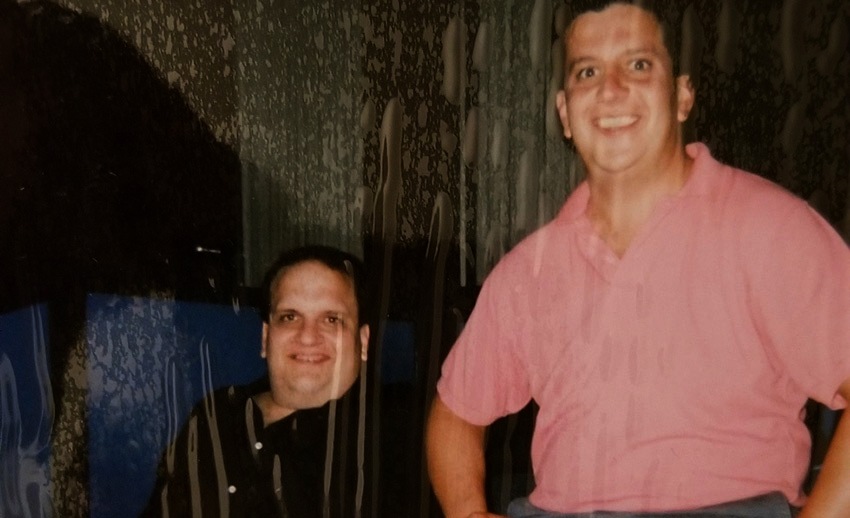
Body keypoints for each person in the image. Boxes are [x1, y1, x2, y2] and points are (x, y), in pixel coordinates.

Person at [426, 2, 850, 517]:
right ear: (564, 112)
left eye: (639, 65)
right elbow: (456, 412)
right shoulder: (528, 271)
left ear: (682, 96)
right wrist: (468, 512)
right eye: (588, 72)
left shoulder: (771, 230)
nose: (611, 89)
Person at [143, 245, 372, 517]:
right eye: (290, 317)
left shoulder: (387, 439)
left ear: (363, 342)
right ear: (265, 338)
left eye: (331, 319)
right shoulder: (216, 415)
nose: (308, 336)